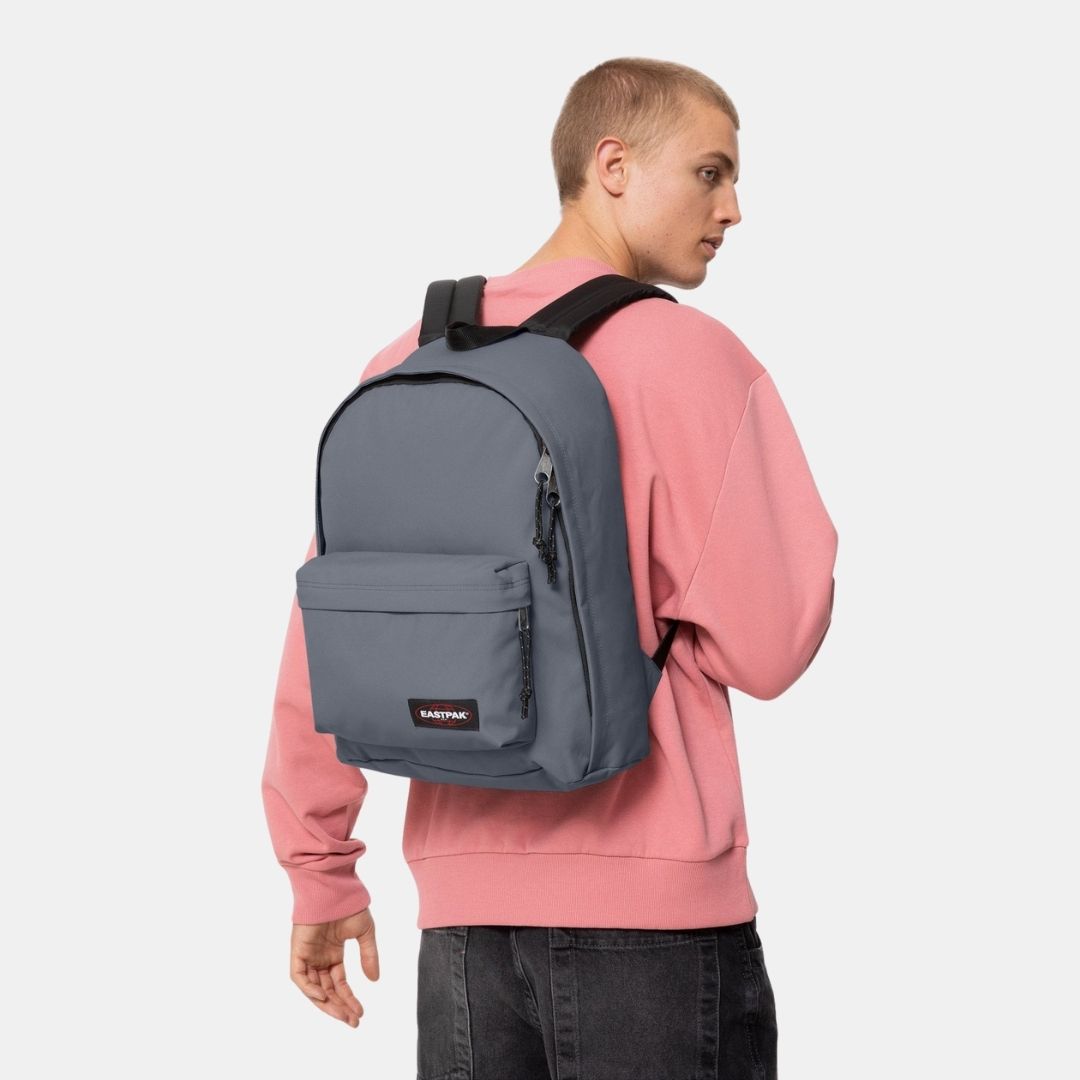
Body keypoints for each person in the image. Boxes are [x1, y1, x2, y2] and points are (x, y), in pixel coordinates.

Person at [261, 56, 837, 1080]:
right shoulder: (689, 358)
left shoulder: (407, 361)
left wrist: (322, 874)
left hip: (462, 936)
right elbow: (773, 645)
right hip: (656, 934)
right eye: (709, 173)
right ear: (612, 165)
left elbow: (332, 637)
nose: (733, 209)